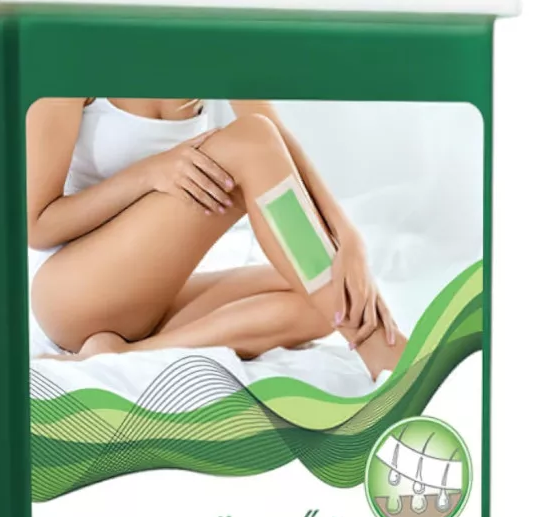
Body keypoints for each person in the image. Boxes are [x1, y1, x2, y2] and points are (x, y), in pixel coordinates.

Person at [26, 98, 403, 380]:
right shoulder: (76, 59)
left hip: (145, 295)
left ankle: (126, 353)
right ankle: (380, 349)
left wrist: (347, 236)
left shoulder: (202, 47)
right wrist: (147, 173)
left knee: (320, 302)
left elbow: (278, 145)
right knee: (249, 139)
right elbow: (36, 225)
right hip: (74, 292)